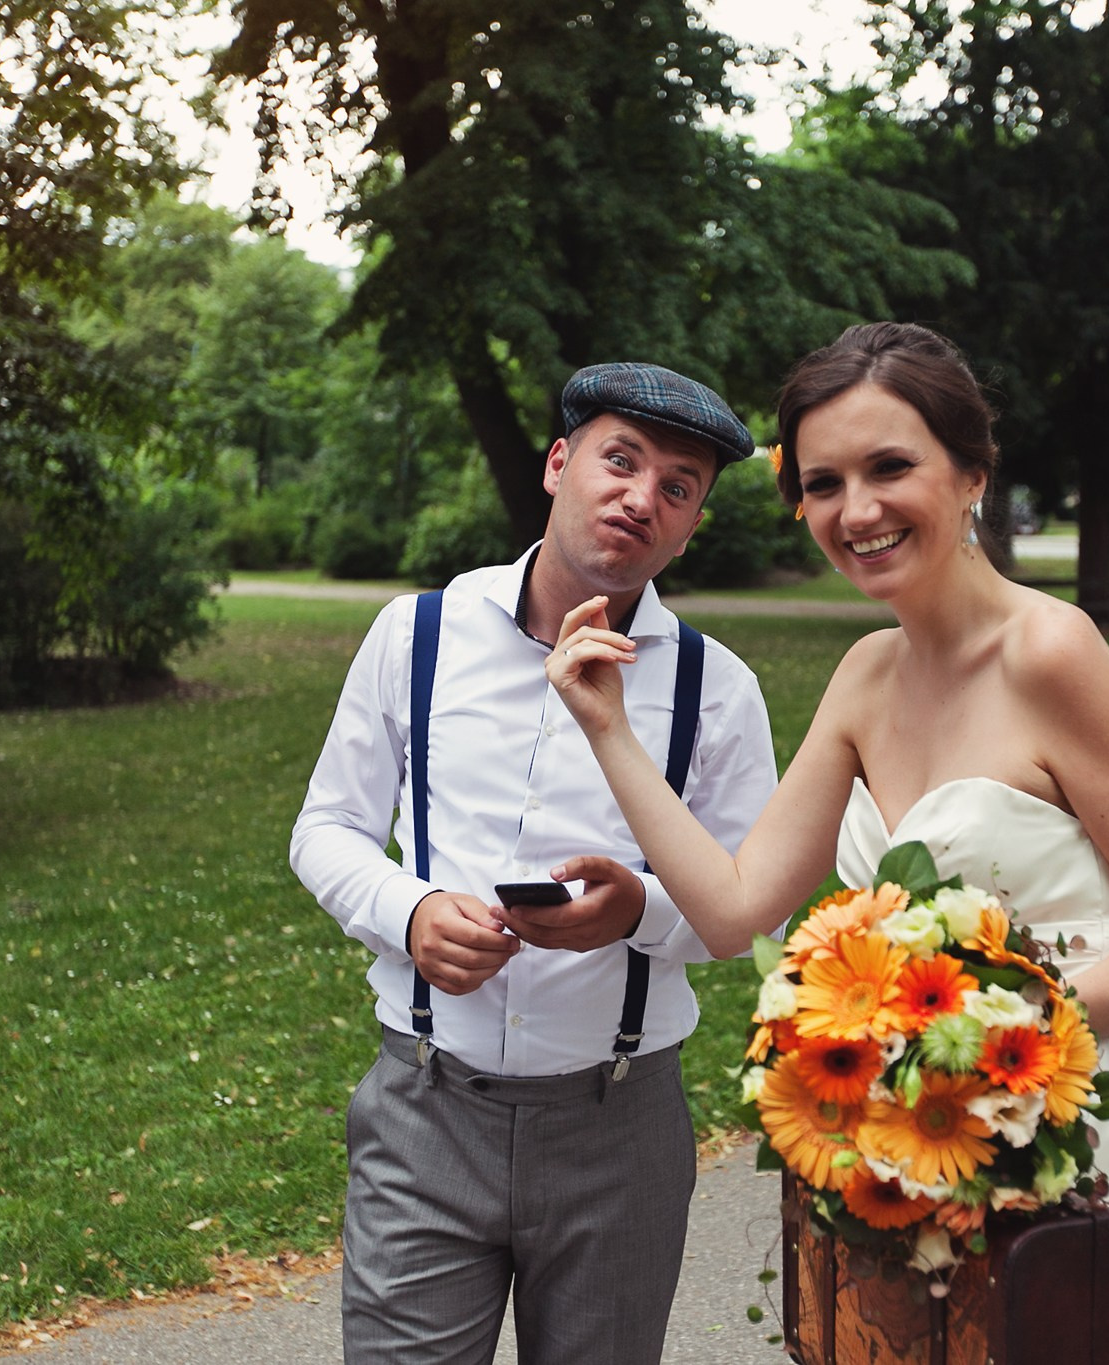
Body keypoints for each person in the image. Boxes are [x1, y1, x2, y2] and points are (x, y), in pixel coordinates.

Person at [546, 322, 1109, 1364]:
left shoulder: (1051, 654)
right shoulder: (865, 675)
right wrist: (607, 729)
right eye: (823, 484)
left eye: (890, 468)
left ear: (973, 474)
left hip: (1069, 1133)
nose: (856, 511)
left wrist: (976, 1047)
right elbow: (736, 906)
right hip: (910, 1147)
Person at [290, 362, 780, 1364]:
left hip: (619, 1127)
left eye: (677, 486)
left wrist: (637, 911)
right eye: (619, 460)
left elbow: (750, 915)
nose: (640, 497)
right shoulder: (419, 634)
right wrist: (410, 911)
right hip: (426, 1110)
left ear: (690, 528)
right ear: (558, 464)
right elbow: (327, 826)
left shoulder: (717, 691)